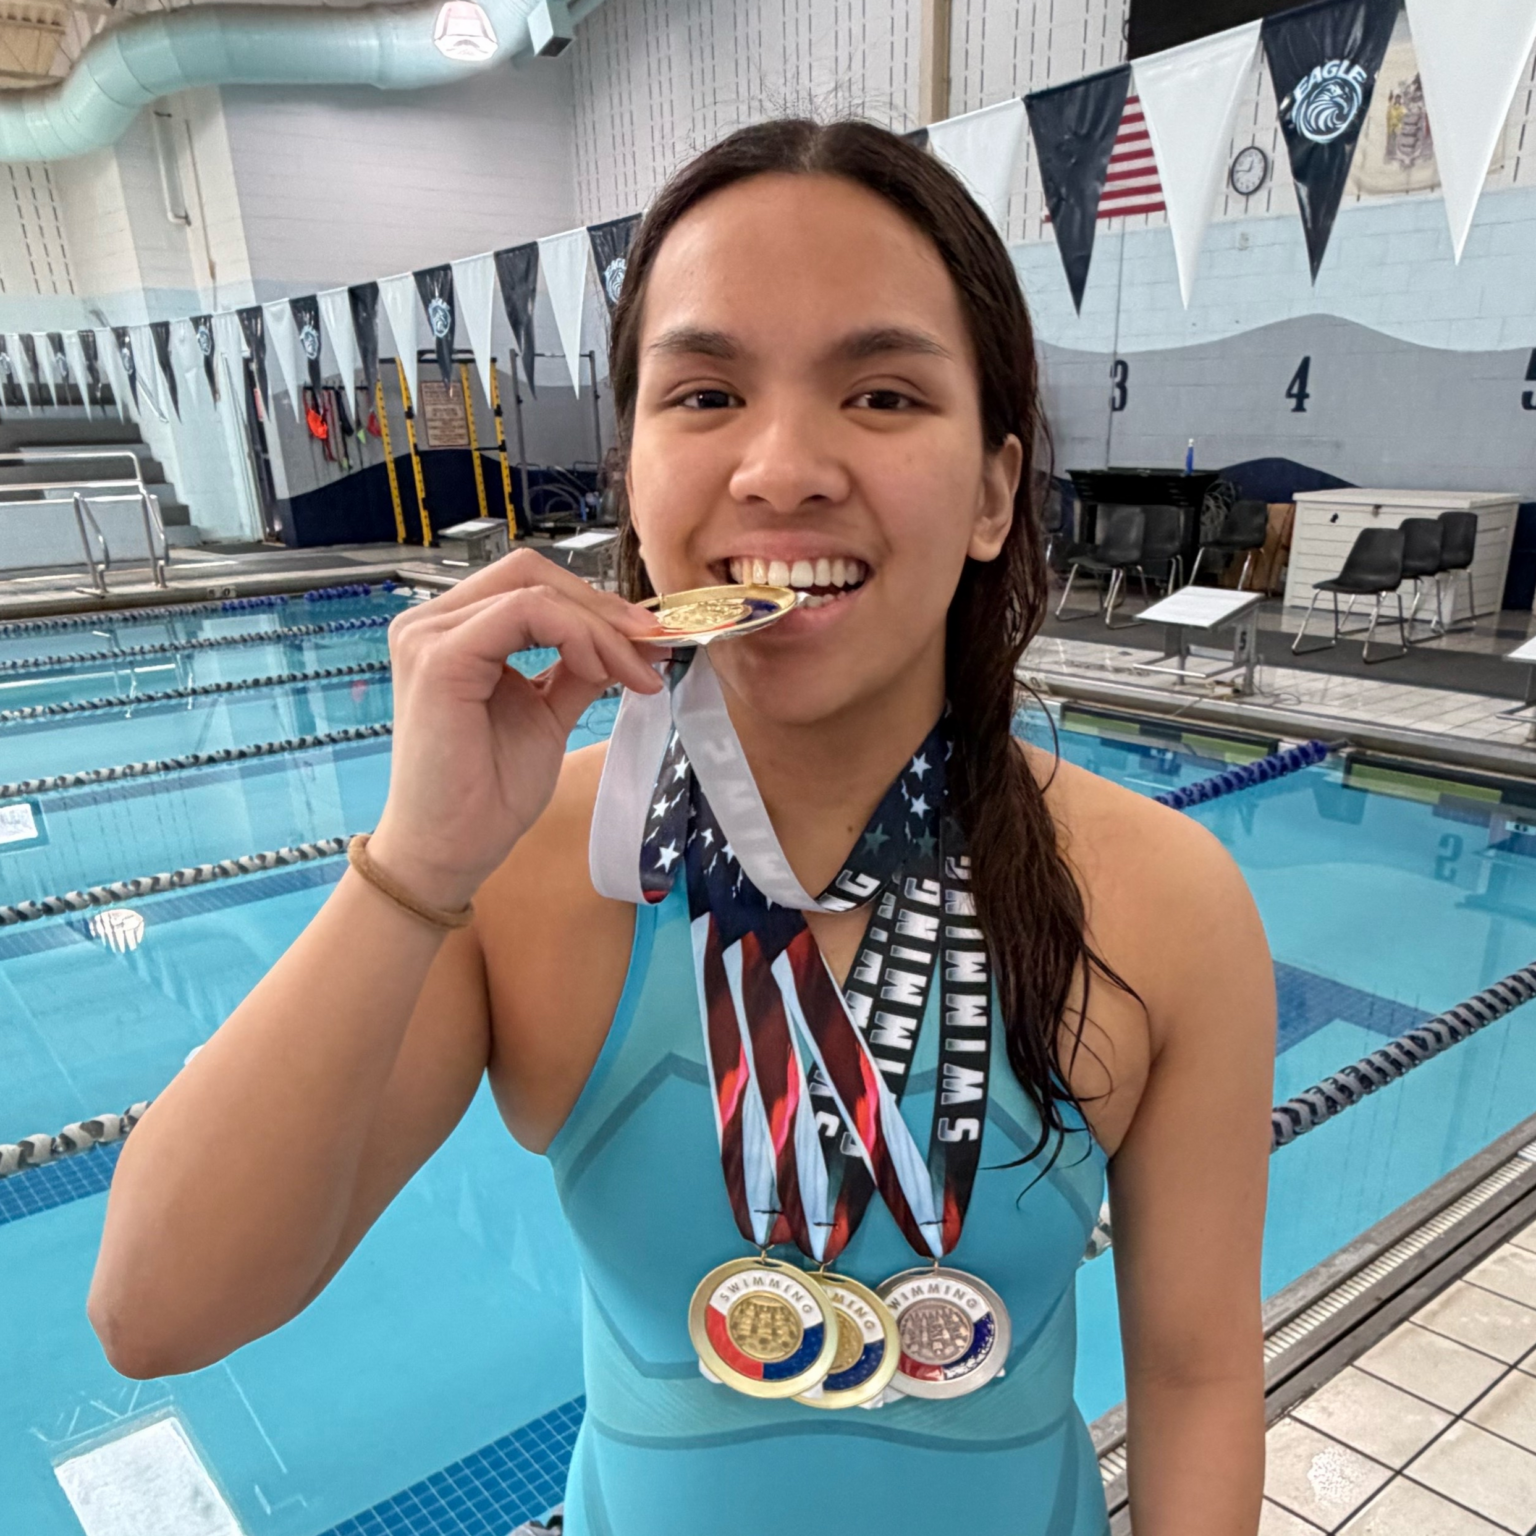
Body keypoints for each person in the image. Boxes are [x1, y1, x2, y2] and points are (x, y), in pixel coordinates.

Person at [88, 119, 1274, 1535]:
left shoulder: (1165, 900)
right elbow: (154, 1311)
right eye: (706, 393)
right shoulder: (523, 874)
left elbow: (1198, 1375)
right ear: (635, 474)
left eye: (883, 395)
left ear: (992, 491)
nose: (783, 467)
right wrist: (416, 865)